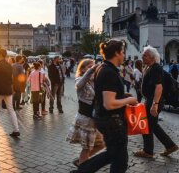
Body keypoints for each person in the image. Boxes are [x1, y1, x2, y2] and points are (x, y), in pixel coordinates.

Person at [71, 40, 138, 173]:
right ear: (117, 53)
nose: (124, 55)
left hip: (105, 119)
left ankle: (81, 171)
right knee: (120, 162)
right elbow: (109, 103)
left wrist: (122, 95)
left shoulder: (103, 68)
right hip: (112, 121)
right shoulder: (109, 72)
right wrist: (129, 99)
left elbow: (104, 93)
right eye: (123, 52)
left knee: (112, 154)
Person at [133, 46, 178, 158]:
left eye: (145, 55)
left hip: (153, 101)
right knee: (153, 126)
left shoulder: (155, 68)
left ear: (152, 58)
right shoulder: (150, 67)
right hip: (151, 100)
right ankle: (170, 146)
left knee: (147, 126)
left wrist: (154, 104)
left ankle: (148, 151)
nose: (142, 57)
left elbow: (159, 87)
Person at [67, 59, 105, 166]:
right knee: (87, 147)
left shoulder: (95, 81)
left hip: (95, 118)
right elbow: (79, 85)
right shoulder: (79, 79)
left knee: (102, 144)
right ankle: (82, 165)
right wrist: (91, 70)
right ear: (83, 69)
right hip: (86, 119)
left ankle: (81, 161)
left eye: (93, 67)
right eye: (89, 67)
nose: (92, 69)